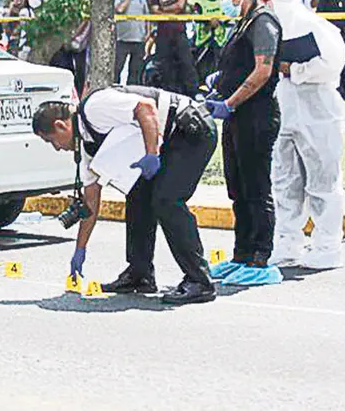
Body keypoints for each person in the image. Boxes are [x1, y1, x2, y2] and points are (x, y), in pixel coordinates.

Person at [32, 85, 219, 305]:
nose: (56, 148)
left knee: (166, 200)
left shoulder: (94, 107)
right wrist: (80, 249)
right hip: (169, 139)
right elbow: (90, 202)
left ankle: (200, 281)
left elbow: (145, 108)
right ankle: (140, 275)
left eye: (51, 140)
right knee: (138, 197)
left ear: (60, 125)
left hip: (191, 129)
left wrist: (151, 154)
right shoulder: (87, 147)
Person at [259, 0, 345, 270]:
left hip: (319, 106)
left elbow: (334, 63)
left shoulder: (314, 26)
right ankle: (287, 243)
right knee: (285, 180)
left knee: (323, 179)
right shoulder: (269, 26)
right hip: (284, 104)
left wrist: (294, 69)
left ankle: (326, 245)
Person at [205, 0, 283, 285]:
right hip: (236, 117)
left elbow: (263, 70)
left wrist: (231, 101)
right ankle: (241, 254)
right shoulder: (242, 22)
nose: (224, 1)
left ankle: (260, 257)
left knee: (256, 187)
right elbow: (239, 65)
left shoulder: (263, 21)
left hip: (256, 114)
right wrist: (219, 81)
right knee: (237, 187)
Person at [149, 0, 200, 97]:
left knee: (186, 62)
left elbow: (180, 5)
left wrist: (164, 10)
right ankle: (169, 93)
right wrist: (170, 12)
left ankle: (193, 91)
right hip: (163, 33)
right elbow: (154, 11)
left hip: (179, 31)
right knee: (165, 65)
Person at [191, 0, 231, 84]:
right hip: (203, 41)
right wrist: (209, 22)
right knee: (201, 68)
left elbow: (229, 17)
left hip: (219, 41)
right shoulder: (199, 2)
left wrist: (220, 21)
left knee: (219, 68)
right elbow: (196, 18)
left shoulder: (224, 1)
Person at [114, 0, 149, 84]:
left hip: (139, 39)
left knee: (135, 71)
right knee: (116, 69)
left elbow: (146, 16)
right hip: (122, 39)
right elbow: (120, 9)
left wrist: (147, 32)